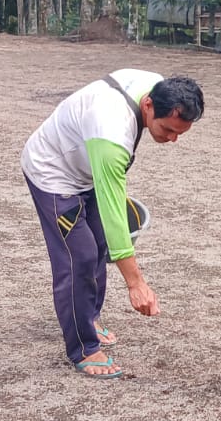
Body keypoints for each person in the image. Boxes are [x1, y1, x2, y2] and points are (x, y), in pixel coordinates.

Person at [22, 70, 204, 377]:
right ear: (148, 105)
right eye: (168, 130)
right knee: (79, 258)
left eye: (179, 133)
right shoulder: (111, 133)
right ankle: (84, 349)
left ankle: (88, 318)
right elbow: (113, 215)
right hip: (52, 173)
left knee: (98, 243)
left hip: (87, 167)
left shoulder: (160, 87)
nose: (172, 139)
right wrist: (136, 284)